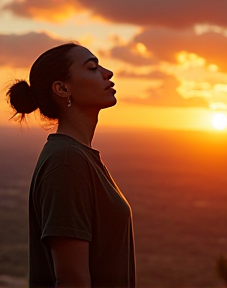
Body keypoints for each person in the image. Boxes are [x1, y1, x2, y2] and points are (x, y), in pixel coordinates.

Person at [7, 43, 136, 288]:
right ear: (63, 88)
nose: (107, 72)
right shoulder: (67, 163)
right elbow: (71, 280)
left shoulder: (78, 157)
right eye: (92, 67)